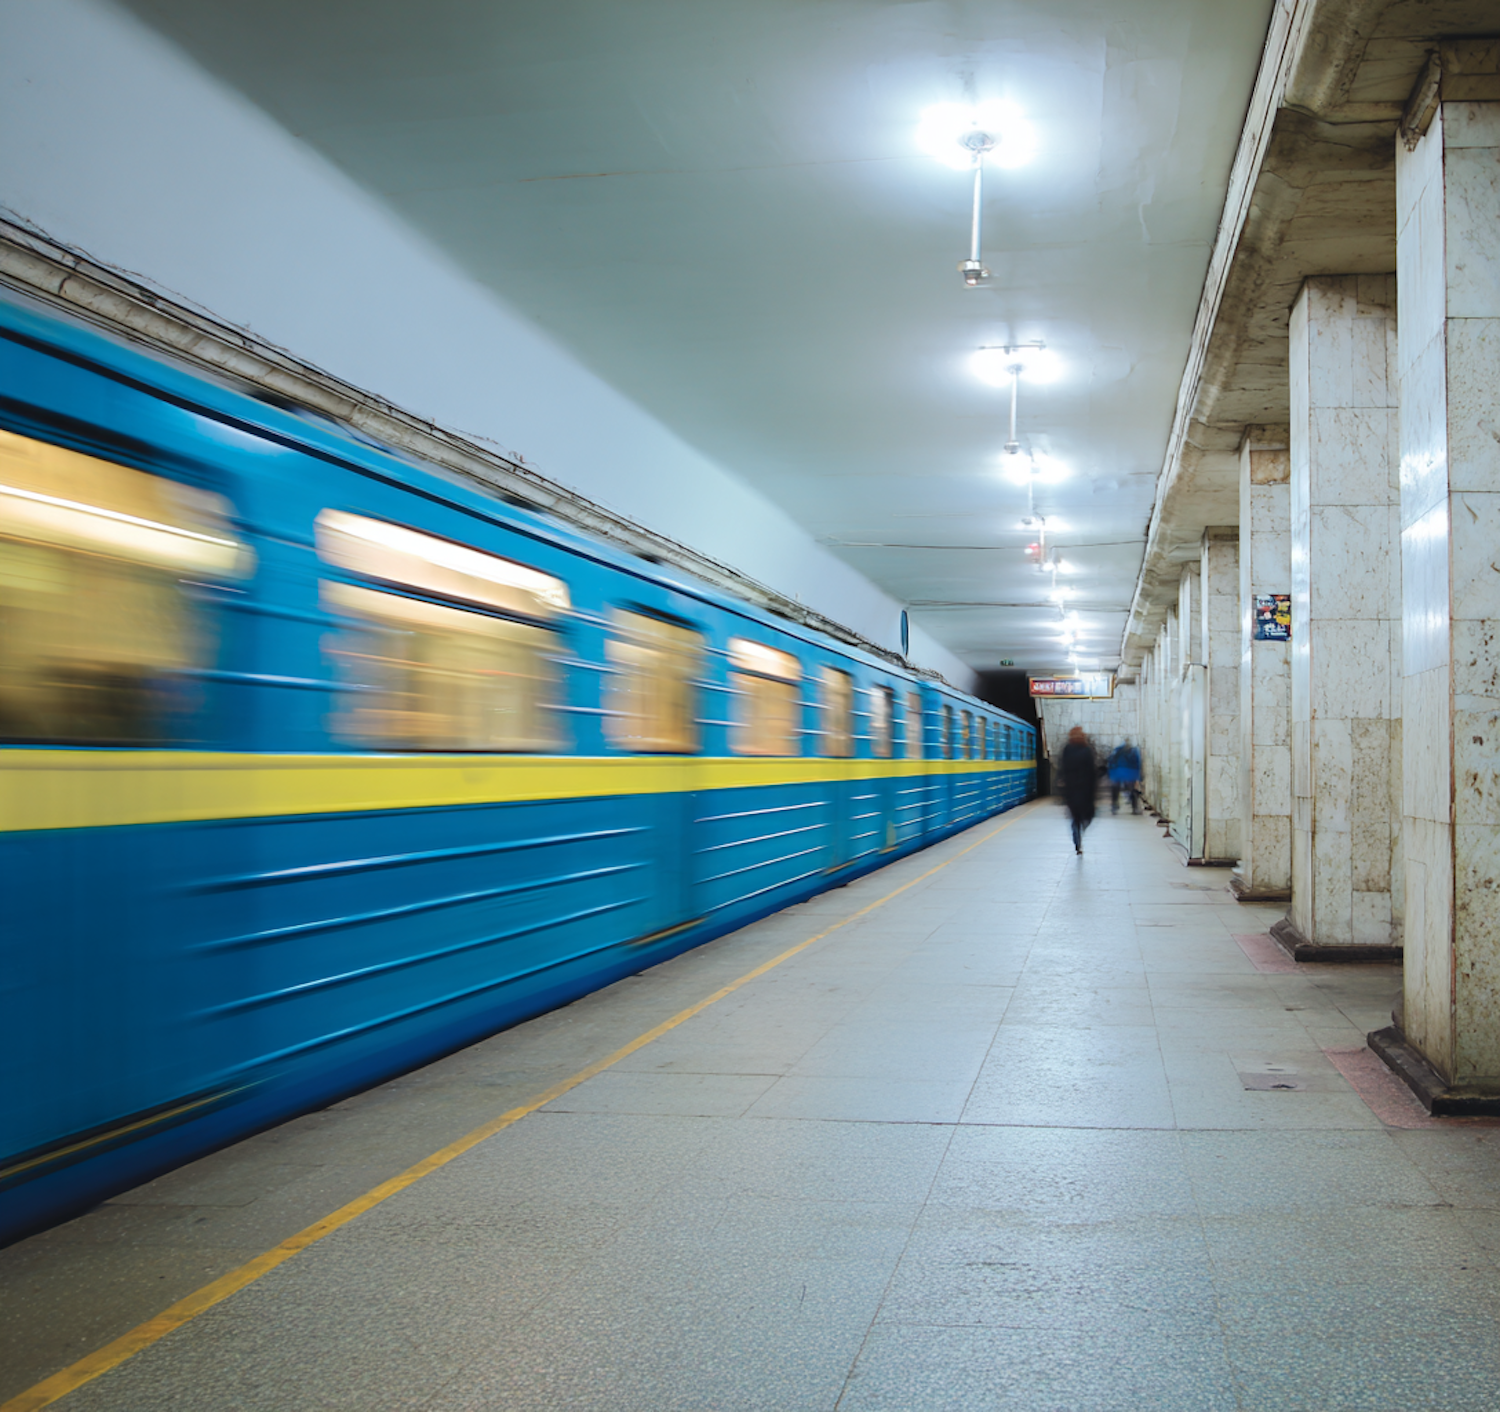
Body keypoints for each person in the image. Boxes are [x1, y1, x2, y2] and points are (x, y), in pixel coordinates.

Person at [1058, 725, 1097, 855]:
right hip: (1084, 790)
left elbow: (1062, 769)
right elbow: (1092, 772)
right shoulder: (1087, 750)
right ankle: (1080, 834)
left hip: (1071, 790)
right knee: (1086, 817)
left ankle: (1077, 840)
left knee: (1075, 818)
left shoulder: (1067, 749)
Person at [1107, 738, 1142, 814]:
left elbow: (1111, 760)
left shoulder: (1117, 750)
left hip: (1118, 771)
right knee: (1132, 789)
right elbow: (1138, 762)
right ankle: (1135, 808)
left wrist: (1111, 772)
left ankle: (1114, 805)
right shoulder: (1134, 750)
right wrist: (1138, 775)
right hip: (1130, 772)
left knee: (1115, 788)